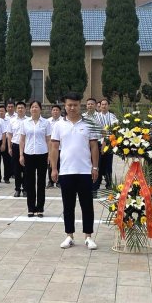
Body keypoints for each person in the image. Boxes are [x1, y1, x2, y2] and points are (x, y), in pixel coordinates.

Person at [51, 92, 99, 250]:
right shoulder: (58, 125)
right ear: (65, 106)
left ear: (80, 105)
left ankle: (88, 236)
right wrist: (54, 168)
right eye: (69, 105)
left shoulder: (89, 124)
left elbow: (94, 146)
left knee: (87, 205)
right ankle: (69, 235)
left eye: (75, 105)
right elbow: (54, 148)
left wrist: (95, 167)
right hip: (66, 171)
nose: (72, 108)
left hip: (85, 171)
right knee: (68, 206)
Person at [20, 101, 52, 217]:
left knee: (41, 182)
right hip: (28, 154)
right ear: (30, 109)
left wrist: (50, 155)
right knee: (30, 182)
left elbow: (49, 140)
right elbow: (22, 140)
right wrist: (21, 155)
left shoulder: (46, 123)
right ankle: (31, 208)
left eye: (36, 107)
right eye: (32, 107)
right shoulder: (25, 123)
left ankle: (40, 208)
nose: (34, 109)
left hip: (42, 154)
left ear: (40, 109)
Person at [97, 98, 118, 189]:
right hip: (98, 143)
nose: (104, 106)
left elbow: (114, 129)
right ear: (100, 106)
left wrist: (106, 140)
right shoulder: (96, 116)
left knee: (108, 163)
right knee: (98, 163)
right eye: (102, 104)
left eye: (105, 104)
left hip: (109, 143)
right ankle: (97, 183)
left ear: (108, 106)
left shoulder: (113, 117)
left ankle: (109, 183)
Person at [9, 101, 28, 197]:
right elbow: (9, 135)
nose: (20, 109)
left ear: (25, 109)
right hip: (15, 146)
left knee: (26, 169)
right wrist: (9, 147)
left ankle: (25, 189)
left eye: (22, 108)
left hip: (26, 147)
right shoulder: (12, 121)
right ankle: (17, 189)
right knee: (16, 169)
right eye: (19, 108)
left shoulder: (28, 121)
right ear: (16, 109)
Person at [83, 98, 101, 196]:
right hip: (85, 145)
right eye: (88, 104)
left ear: (95, 105)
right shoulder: (82, 117)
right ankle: (85, 188)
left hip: (97, 144)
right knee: (86, 166)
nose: (90, 106)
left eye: (92, 104)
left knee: (96, 166)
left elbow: (104, 132)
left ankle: (94, 189)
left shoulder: (100, 117)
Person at [46, 104, 63, 188]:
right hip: (51, 147)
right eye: (54, 110)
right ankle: (51, 181)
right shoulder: (47, 121)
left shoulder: (63, 121)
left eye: (57, 110)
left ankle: (59, 181)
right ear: (51, 111)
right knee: (50, 164)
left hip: (61, 146)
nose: (55, 112)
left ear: (60, 112)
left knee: (60, 164)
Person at [0, 105, 13, 184]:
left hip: (6, 141)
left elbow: (10, 132)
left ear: (5, 112)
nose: (0, 113)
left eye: (2, 111)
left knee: (7, 161)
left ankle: (6, 177)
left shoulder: (9, 120)